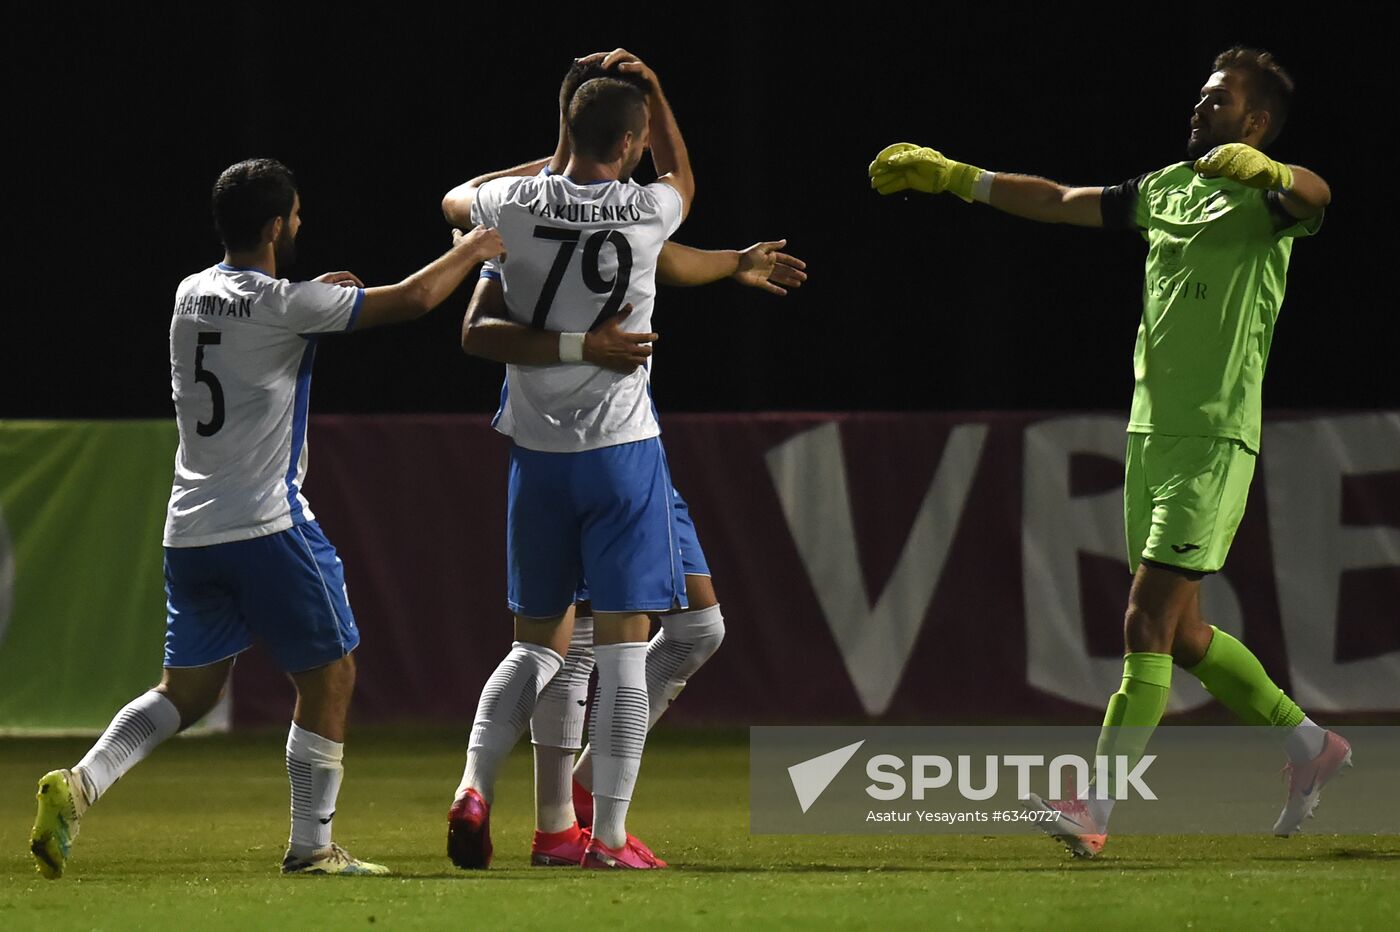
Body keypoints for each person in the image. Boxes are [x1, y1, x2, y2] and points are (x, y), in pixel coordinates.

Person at [869, 46, 1345, 858]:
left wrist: (1272, 172)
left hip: (1214, 438)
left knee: (1145, 622)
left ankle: (1094, 806)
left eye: (1218, 100)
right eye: (1201, 97)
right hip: (1151, 434)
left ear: (1256, 122)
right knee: (1185, 635)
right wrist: (958, 176)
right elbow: (1059, 199)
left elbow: (1318, 194)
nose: (1200, 109)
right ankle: (1310, 747)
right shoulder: (1167, 189)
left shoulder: (1266, 204)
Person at [28, 158, 503, 879]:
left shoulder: (191, 293)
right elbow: (410, 299)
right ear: (278, 224)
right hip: (266, 524)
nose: (301, 224)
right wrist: (473, 249)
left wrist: (314, 295)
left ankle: (80, 784)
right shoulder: (286, 305)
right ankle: (312, 847)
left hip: (189, 530)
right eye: (298, 214)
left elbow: (266, 315)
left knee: (184, 692)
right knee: (331, 675)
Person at [459, 236, 804, 866]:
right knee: (593, 644)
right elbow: (672, 215)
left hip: (559, 454)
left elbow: (465, 232)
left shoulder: (524, 218)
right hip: (614, 447)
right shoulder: (616, 211)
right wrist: (732, 262)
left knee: (691, 628)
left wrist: (483, 252)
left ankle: (535, 799)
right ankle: (569, 829)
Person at [439, 48, 694, 870]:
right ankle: (608, 838)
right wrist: (655, 92)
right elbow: (683, 175)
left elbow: (452, 198)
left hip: (536, 458)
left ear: (570, 131)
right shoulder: (645, 209)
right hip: (620, 454)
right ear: (631, 143)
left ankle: (476, 785)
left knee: (536, 647)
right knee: (623, 652)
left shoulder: (511, 203)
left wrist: (556, 148)